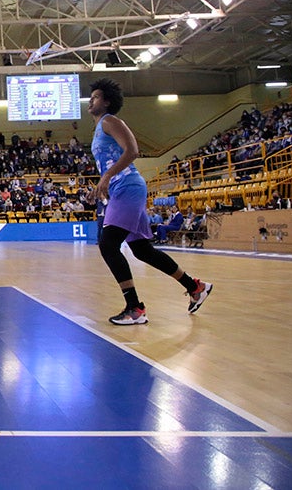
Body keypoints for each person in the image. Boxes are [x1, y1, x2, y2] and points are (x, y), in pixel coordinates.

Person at [87, 78, 211, 325]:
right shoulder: (100, 127)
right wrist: (101, 183)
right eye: (91, 97)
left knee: (108, 245)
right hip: (121, 188)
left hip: (128, 187)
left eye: (96, 96)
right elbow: (111, 162)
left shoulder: (111, 121)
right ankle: (195, 286)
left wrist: (108, 176)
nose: (91, 100)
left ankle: (134, 308)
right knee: (142, 250)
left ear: (108, 101)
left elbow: (132, 151)